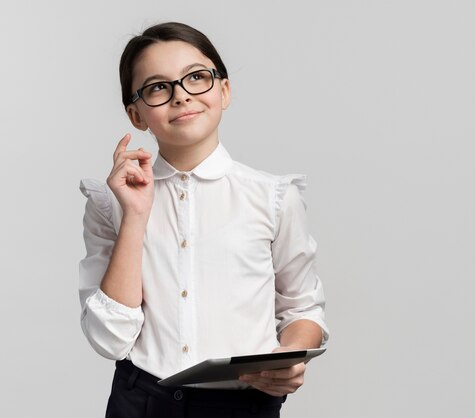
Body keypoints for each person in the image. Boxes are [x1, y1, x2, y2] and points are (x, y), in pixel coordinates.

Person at [78, 21, 328, 418]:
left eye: (196, 77)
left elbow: (302, 308)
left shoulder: (274, 198)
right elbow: (110, 340)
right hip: (140, 400)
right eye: (158, 87)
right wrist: (135, 216)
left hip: (243, 404)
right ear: (136, 114)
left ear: (224, 90)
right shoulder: (111, 203)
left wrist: (290, 360)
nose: (180, 96)